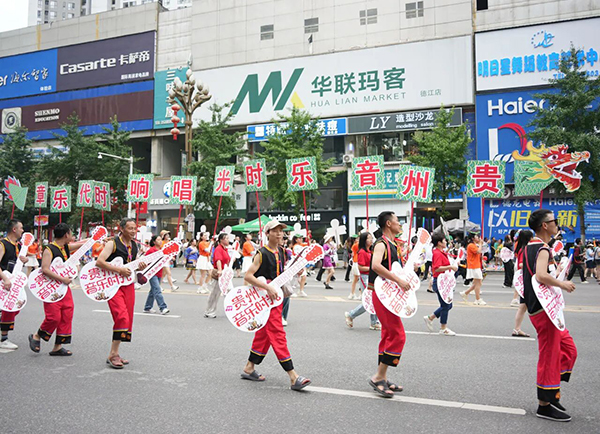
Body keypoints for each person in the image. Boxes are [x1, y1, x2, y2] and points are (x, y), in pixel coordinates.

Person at [240, 220, 311, 391]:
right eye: (275, 230)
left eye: (281, 231)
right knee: (277, 333)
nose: (279, 233)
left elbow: (282, 273)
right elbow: (248, 276)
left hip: (276, 298)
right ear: (267, 234)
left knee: (263, 335)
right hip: (265, 299)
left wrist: (297, 271)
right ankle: (293, 376)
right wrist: (267, 287)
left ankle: (249, 367)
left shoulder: (282, 251)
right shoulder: (261, 253)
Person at [523, 209, 577, 422]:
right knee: (549, 355)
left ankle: (552, 390)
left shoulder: (531, 246)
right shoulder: (542, 248)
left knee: (568, 349)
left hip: (546, 308)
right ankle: (544, 404)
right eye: (554, 220)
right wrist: (562, 283)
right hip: (543, 309)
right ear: (545, 225)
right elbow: (540, 275)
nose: (557, 223)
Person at [368, 211, 411, 398]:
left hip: (389, 295)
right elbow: (376, 265)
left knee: (387, 335)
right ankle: (378, 376)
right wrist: (398, 280)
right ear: (388, 224)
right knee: (398, 335)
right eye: (397, 221)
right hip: (382, 295)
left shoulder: (393, 244)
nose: (399, 224)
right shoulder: (381, 243)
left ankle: (383, 377)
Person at [28, 223, 87, 356]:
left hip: (64, 288)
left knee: (67, 315)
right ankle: (37, 336)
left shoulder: (64, 247)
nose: (72, 236)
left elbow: (81, 244)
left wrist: (96, 239)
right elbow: (45, 269)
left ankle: (57, 347)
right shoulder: (49, 249)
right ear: (66, 235)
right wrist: (62, 279)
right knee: (53, 317)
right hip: (51, 289)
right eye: (71, 233)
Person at [96, 218, 146, 369]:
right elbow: (99, 262)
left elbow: (132, 265)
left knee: (127, 318)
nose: (133, 231)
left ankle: (115, 352)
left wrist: (140, 266)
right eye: (130, 228)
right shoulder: (112, 243)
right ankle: (113, 355)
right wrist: (119, 270)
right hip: (112, 286)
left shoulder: (135, 245)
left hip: (128, 285)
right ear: (122, 229)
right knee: (121, 316)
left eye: (134, 228)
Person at [0, 219, 28, 350]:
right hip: (4, 281)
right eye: (21, 228)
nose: (23, 230)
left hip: (12, 282)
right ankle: (4, 338)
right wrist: (5, 279)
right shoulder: (3, 244)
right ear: (14, 229)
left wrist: (24, 260)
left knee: (15, 307)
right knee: (8, 309)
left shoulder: (18, 246)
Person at [423, 233, 458, 336]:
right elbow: (437, 268)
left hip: (444, 282)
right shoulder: (437, 253)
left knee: (448, 305)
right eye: (444, 240)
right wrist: (450, 267)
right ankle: (443, 328)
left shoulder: (440, 252)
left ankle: (430, 318)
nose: (446, 242)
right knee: (446, 305)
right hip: (439, 282)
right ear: (439, 243)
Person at [344, 232, 380, 330]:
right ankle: (351, 315)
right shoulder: (362, 252)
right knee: (368, 301)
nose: (371, 240)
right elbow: (360, 267)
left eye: (371, 238)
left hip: (372, 276)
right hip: (365, 277)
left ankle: (374, 322)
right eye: (369, 238)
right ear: (364, 240)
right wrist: (372, 268)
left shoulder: (370, 251)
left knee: (373, 300)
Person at [511, 230, 532, 337]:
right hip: (526, 279)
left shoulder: (521, 248)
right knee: (524, 306)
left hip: (524, 279)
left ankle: (517, 329)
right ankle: (517, 329)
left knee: (523, 307)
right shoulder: (524, 249)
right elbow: (521, 265)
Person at [204, 233, 230, 318]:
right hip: (219, 273)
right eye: (226, 238)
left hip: (225, 274)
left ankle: (231, 310)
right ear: (221, 240)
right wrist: (219, 270)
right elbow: (218, 260)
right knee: (215, 293)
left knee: (228, 292)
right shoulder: (219, 249)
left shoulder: (225, 249)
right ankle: (209, 310)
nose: (228, 240)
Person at [143, 235, 170, 315]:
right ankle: (163, 307)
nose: (160, 241)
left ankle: (147, 307)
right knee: (157, 289)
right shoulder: (151, 250)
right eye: (158, 240)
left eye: (161, 239)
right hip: (152, 273)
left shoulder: (161, 250)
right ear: (154, 242)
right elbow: (145, 260)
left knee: (153, 290)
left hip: (159, 272)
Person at [460, 233, 486, 305]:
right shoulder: (471, 245)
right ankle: (477, 299)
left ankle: (465, 293)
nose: (478, 238)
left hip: (476, 265)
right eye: (476, 237)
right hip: (474, 266)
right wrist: (480, 244)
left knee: (477, 282)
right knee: (478, 282)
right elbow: (478, 251)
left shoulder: (474, 245)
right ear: (473, 238)